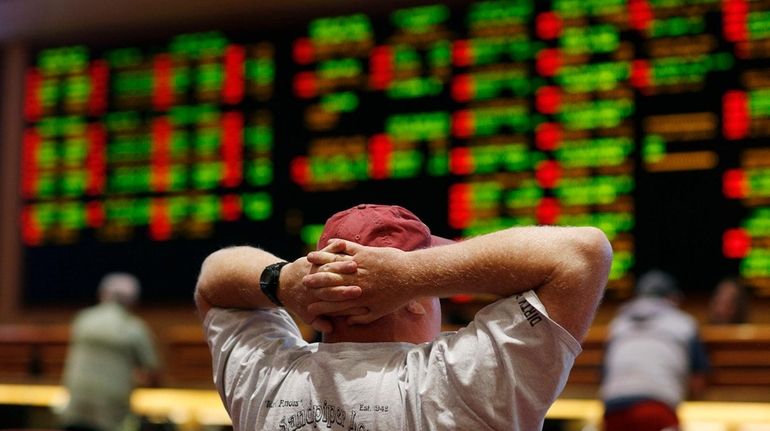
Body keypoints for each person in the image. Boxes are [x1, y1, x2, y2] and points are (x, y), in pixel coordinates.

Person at [195, 204, 612, 430]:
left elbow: (215, 281)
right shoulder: (458, 383)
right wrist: (413, 276)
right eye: (428, 290)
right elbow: (582, 253)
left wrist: (281, 280)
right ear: (412, 298)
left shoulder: (265, 380)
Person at [600, 270, 710, 431]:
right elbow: (698, 379)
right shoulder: (683, 323)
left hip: (613, 407)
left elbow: (604, 373)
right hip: (657, 406)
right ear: (672, 297)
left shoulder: (618, 324)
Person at [59, 272, 160, 431]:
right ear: (132, 300)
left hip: (74, 407)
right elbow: (153, 372)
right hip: (111, 414)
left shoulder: (83, 319)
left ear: (103, 294)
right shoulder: (134, 328)